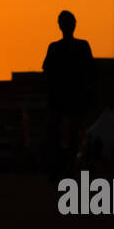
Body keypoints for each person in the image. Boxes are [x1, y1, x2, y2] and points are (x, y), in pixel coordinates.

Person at [41, 10, 96, 179]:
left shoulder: (69, 47)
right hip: (65, 99)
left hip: (68, 99)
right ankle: (62, 169)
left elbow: (91, 73)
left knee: (68, 135)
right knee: (60, 135)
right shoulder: (66, 47)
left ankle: (64, 169)